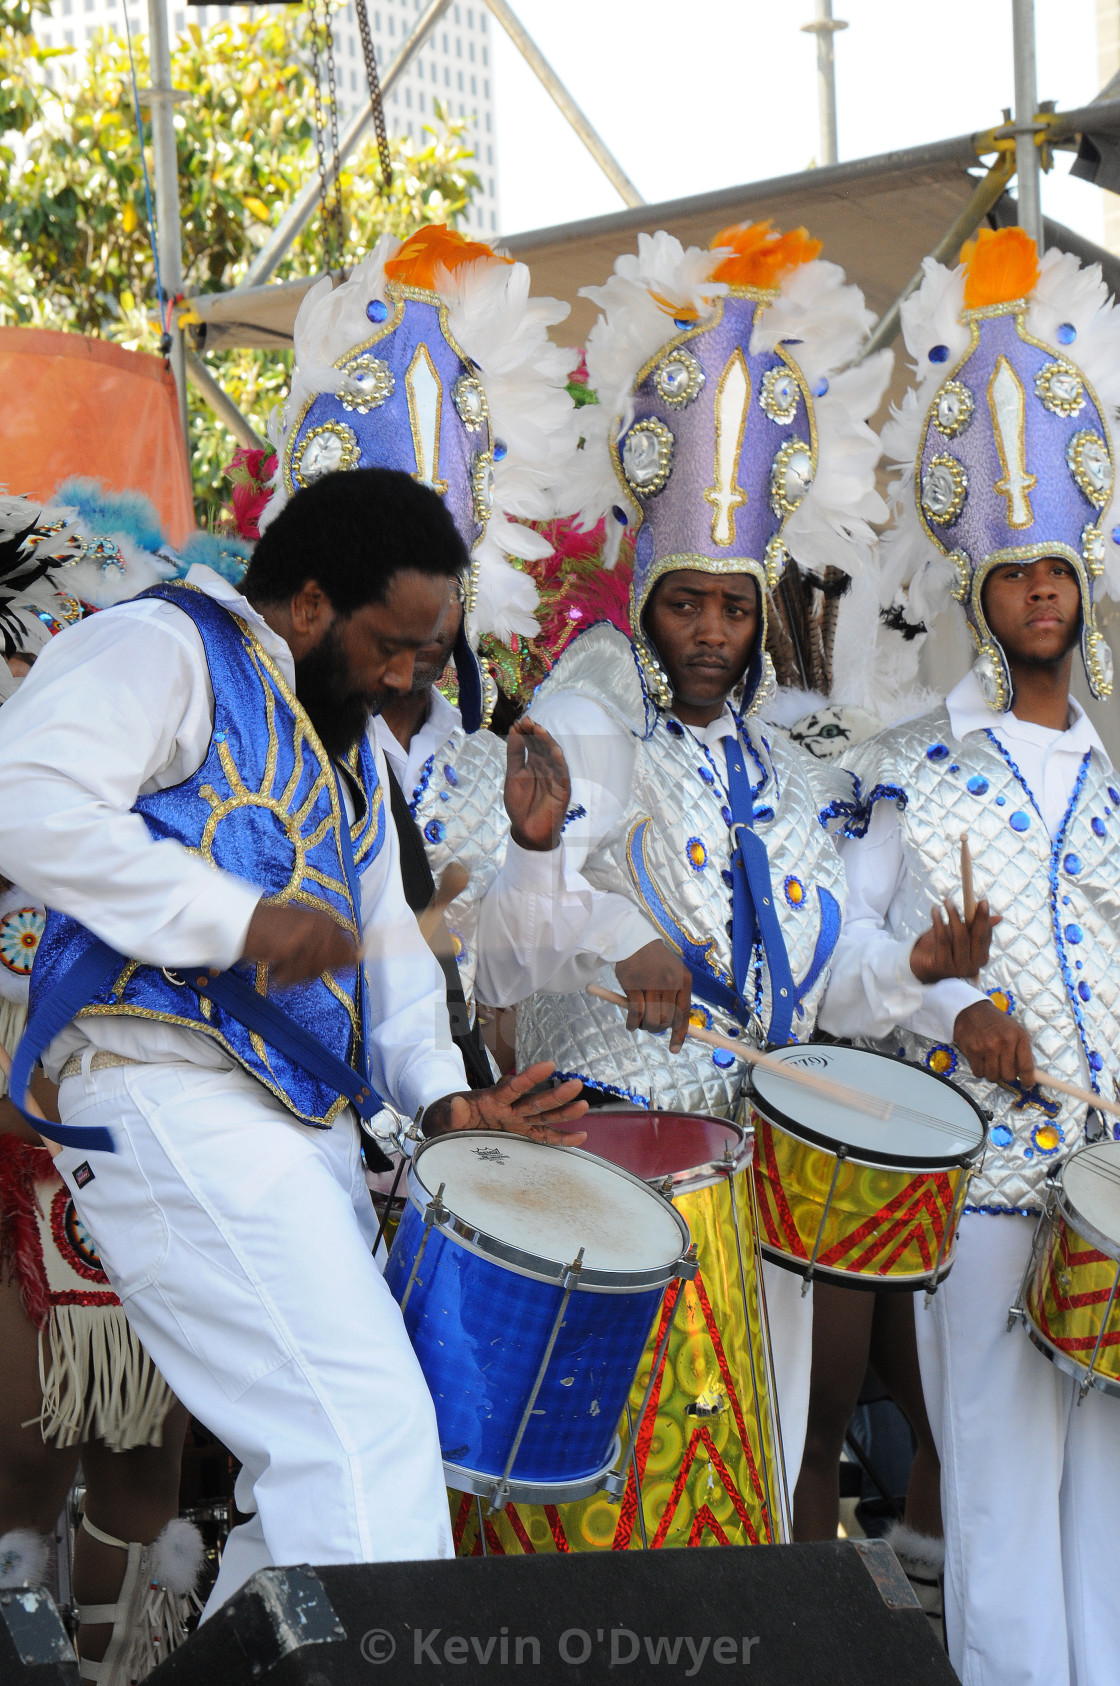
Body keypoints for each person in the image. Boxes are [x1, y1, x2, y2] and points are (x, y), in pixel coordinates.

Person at [0, 467, 586, 1616]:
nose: (409, 677)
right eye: (395, 645)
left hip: (304, 1133)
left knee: (322, 1489)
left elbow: (396, 960)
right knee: (358, 1442)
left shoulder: (350, 747)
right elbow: (23, 799)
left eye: (430, 652)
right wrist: (234, 918)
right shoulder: (163, 648)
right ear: (310, 604)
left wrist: (435, 1102)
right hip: (163, 1092)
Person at [474, 222, 894, 1538]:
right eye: (685, 605)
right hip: (602, 1161)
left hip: (744, 1159)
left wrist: (917, 973)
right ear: (646, 600)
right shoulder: (596, 694)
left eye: (731, 605)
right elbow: (515, 902)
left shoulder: (777, 759)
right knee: (616, 1505)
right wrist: (613, 928)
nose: (711, 632)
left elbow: (825, 964)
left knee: (751, 1499)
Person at [821, 226, 1120, 1686]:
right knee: (999, 1501)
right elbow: (849, 953)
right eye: (1015, 578)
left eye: (1057, 571)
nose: (1041, 597)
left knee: (1115, 1505)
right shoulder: (913, 771)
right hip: (992, 1186)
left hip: (1116, 1183)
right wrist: (955, 999)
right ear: (979, 593)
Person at [259, 222, 584, 1089]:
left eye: (445, 589)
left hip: (455, 1141)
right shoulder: (259, 743)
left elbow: (516, 989)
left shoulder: (493, 769)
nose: (425, 623)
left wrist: (535, 851)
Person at [0, 489, 219, 1685]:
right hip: (42, 1108)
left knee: (135, 1449)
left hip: (116, 1095)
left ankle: (117, 1664)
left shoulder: (160, 703)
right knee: (29, 1452)